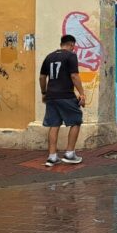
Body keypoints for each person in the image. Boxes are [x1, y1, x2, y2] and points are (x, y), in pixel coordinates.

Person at [40, 34, 87, 166]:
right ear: (72, 45)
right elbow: (74, 76)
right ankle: (70, 154)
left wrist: (44, 92)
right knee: (76, 120)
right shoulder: (71, 56)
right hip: (66, 95)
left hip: (51, 96)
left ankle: (52, 156)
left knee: (54, 125)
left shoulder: (49, 57)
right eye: (74, 47)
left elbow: (42, 77)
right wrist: (82, 94)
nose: (74, 49)